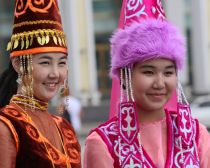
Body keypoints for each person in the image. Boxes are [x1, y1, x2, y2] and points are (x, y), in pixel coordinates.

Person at [84, 0, 210, 167]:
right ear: (124, 75)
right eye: (148, 72)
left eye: (168, 72)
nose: (159, 83)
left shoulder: (196, 134)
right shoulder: (103, 143)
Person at [0, 0, 81, 167]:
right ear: (17, 64)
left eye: (61, 63)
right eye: (45, 62)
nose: (55, 73)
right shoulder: (7, 125)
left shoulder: (65, 128)